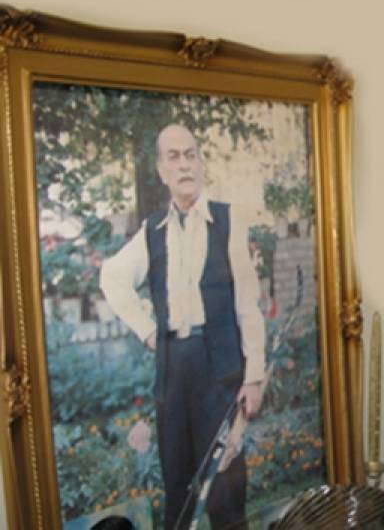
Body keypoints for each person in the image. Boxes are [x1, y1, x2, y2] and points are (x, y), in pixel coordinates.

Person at [101, 123, 265, 530]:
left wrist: (254, 375)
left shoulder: (227, 221)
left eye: (191, 155)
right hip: (173, 373)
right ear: (162, 170)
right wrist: (149, 330)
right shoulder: (152, 231)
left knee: (226, 492)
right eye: (173, 157)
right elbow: (112, 277)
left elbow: (247, 303)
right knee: (178, 489)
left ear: (201, 163)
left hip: (219, 372)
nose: (184, 164)